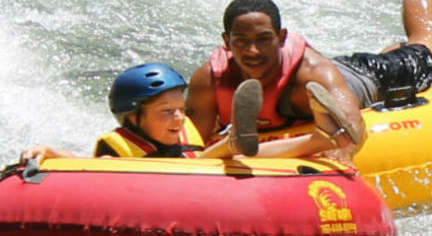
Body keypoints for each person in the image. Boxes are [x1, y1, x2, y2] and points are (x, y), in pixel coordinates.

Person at [186, 0, 432, 160]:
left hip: (367, 77)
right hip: (338, 72)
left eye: (264, 40)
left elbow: (352, 136)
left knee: (430, 46)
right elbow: (188, 147)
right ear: (227, 43)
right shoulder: (210, 79)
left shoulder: (313, 74)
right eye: (242, 42)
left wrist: (319, 141)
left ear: (281, 38)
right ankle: (394, 47)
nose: (253, 52)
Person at [21, 63, 269, 162]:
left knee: (232, 157)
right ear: (133, 118)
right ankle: (233, 141)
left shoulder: (185, 136)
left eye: (182, 110)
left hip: (196, 176)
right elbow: (85, 166)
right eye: (167, 111)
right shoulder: (119, 152)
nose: (179, 118)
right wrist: (51, 153)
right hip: (146, 188)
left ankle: (237, 140)